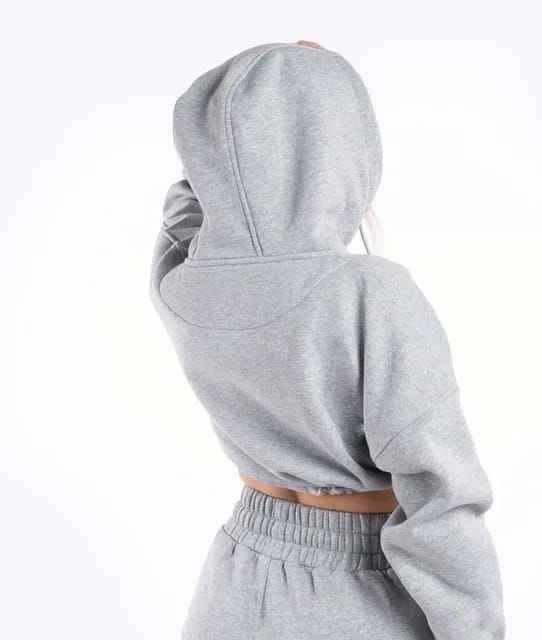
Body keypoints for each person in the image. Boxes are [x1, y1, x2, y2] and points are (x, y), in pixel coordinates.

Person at [150, 40, 505, 640]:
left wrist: (230, 130)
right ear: (345, 146)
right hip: (359, 592)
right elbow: (440, 496)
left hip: (234, 578)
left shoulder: (184, 282)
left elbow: (188, 213)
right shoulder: (369, 292)